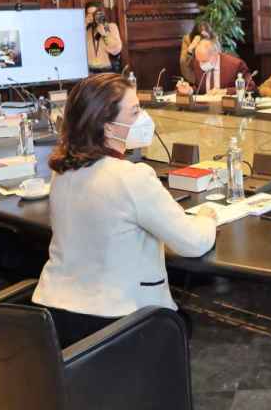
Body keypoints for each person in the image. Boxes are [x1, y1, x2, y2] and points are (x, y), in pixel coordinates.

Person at [32, 73, 218, 347]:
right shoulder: (132, 176)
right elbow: (192, 242)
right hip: (122, 322)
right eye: (135, 112)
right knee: (185, 323)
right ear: (107, 127)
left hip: (55, 316)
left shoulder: (62, 171)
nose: (144, 117)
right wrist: (206, 218)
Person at [175, 39, 254, 96]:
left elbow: (251, 88)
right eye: (198, 60)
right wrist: (190, 90)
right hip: (205, 111)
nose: (200, 64)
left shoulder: (235, 65)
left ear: (215, 54)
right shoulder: (197, 63)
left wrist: (225, 91)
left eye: (204, 61)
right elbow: (202, 90)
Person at [84, 1, 122, 73]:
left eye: (94, 14)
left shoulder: (110, 27)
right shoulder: (87, 30)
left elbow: (116, 49)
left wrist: (104, 35)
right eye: (89, 14)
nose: (91, 17)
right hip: (90, 71)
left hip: (107, 70)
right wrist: (84, 24)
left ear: (101, 13)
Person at [179, 21, 215, 85]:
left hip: (212, 74)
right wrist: (190, 48)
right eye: (201, 35)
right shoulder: (188, 39)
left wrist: (209, 42)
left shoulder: (212, 38)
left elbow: (219, 56)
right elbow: (183, 62)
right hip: (193, 75)